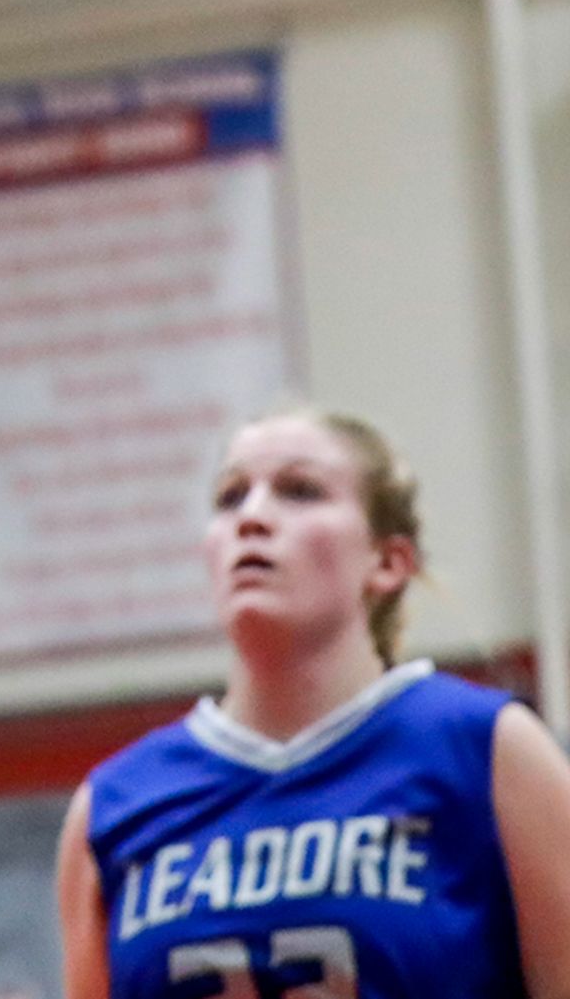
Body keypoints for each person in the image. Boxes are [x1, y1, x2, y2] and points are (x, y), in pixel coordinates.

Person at [56, 408, 570, 996]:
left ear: (387, 562)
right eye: (230, 497)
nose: (252, 517)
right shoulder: (114, 804)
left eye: (300, 491)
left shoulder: (485, 748)